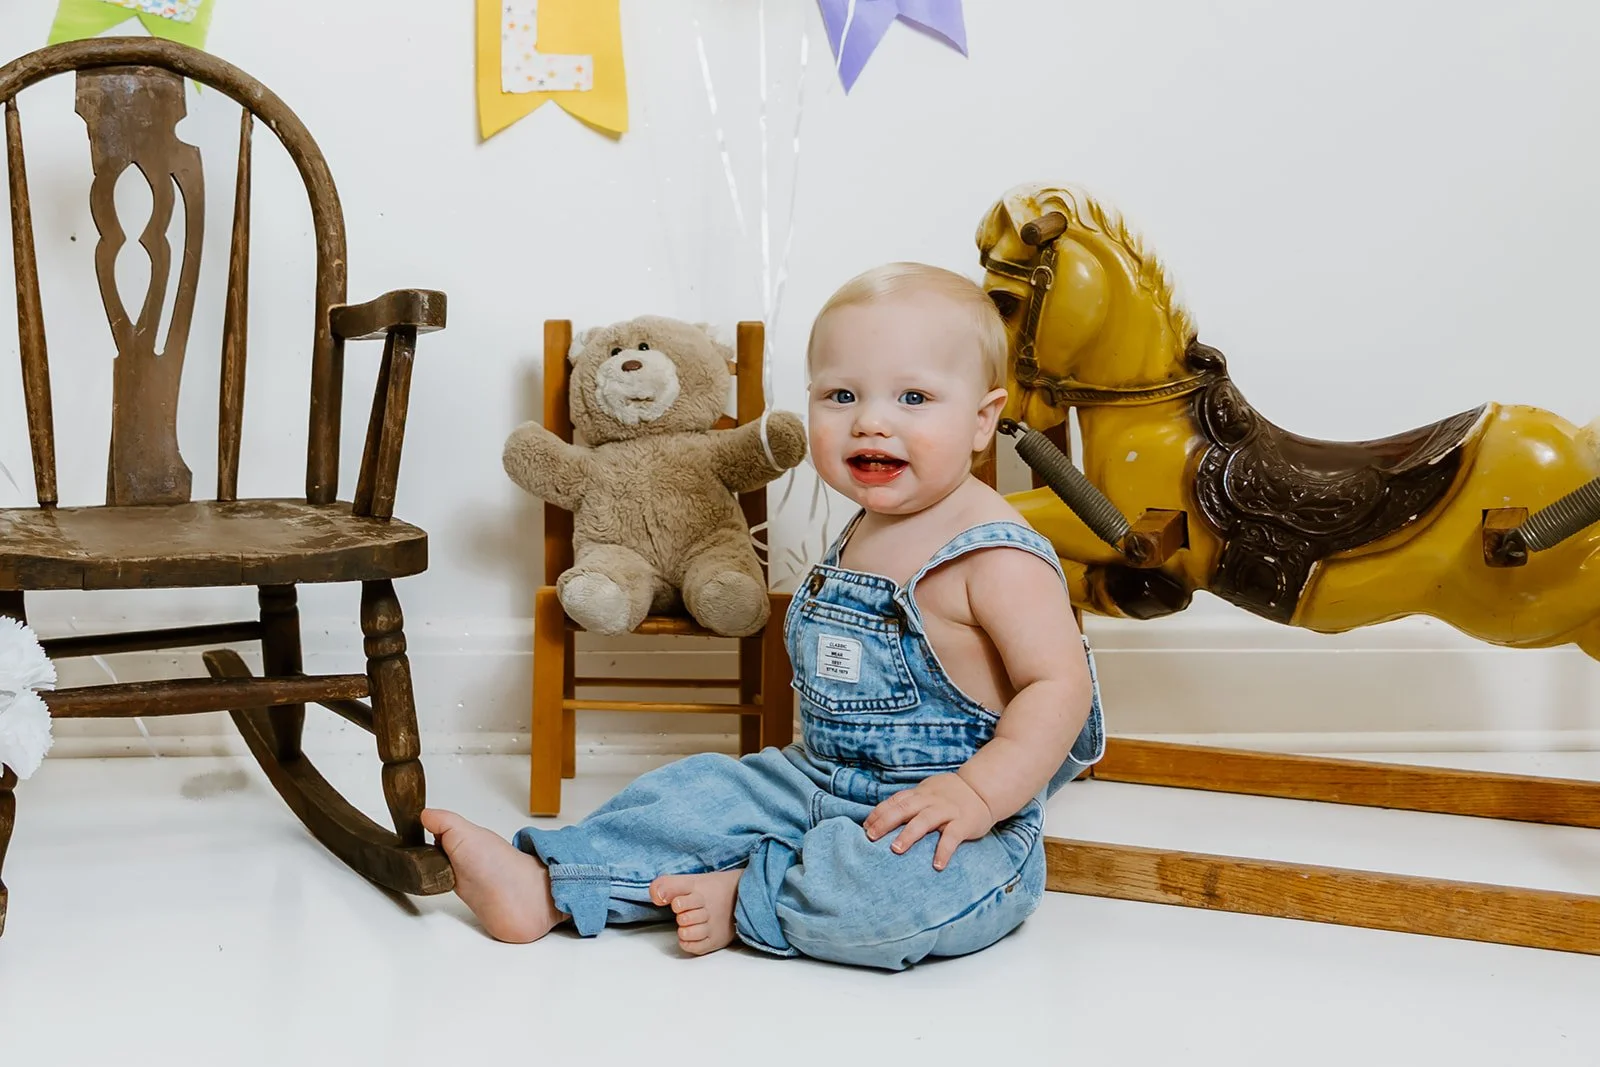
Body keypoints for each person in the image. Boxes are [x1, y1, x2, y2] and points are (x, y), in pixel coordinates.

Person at [421, 262, 1105, 971]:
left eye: (914, 396)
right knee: (690, 795)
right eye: (841, 394)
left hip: (954, 820)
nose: (872, 419)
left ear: (982, 420)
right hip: (814, 778)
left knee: (888, 900)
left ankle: (749, 889)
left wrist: (977, 793)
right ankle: (550, 884)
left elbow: (1059, 688)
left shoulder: (996, 553)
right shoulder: (869, 525)